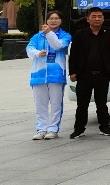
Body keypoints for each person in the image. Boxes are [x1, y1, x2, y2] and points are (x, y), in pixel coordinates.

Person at [68, 7, 110, 139]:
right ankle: (79, 129)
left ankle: (104, 126)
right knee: (82, 104)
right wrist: (72, 72)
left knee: (101, 102)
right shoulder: (80, 34)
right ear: (88, 19)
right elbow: (73, 55)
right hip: (84, 74)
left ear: (103, 18)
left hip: (103, 74)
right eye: (94, 16)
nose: (97, 19)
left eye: (99, 16)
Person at [26, 11, 72, 140]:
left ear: (60, 21)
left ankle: (53, 129)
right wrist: (37, 53)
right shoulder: (37, 36)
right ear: (46, 21)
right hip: (38, 75)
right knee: (40, 104)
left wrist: (49, 34)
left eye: (56, 18)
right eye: (51, 18)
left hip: (56, 75)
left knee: (56, 104)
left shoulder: (65, 36)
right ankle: (41, 129)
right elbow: (29, 49)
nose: (53, 21)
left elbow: (58, 46)